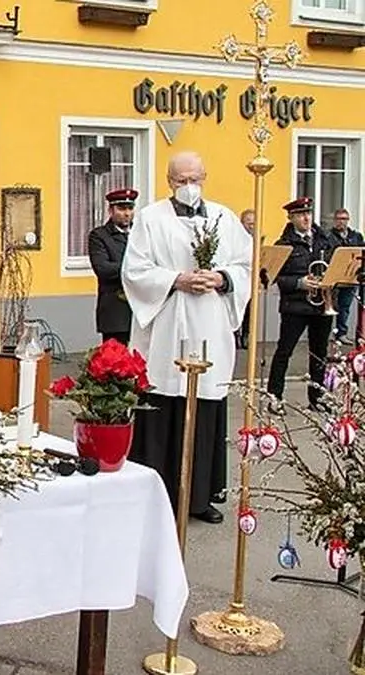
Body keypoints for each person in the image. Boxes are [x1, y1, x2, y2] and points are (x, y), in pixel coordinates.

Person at [122, 151, 252, 524]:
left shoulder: (225, 219)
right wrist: (176, 279)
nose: (189, 187)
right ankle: (156, 493)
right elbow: (135, 271)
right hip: (168, 323)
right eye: (181, 181)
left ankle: (199, 498)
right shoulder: (150, 218)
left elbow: (245, 264)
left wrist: (222, 278)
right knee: (164, 404)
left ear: (205, 177)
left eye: (195, 179)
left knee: (205, 404)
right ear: (169, 181)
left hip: (208, 321)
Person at [266, 196, 335, 413]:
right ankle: (274, 396)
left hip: (321, 304)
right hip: (295, 306)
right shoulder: (283, 245)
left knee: (319, 353)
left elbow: (336, 265)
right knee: (284, 352)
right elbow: (273, 276)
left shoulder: (325, 240)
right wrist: (299, 283)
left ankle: (317, 398)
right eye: (300, 214)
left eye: (308, 213)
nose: (306, 218)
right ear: (291, 217)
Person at [88, 188, 137, 345]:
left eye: (130, 208)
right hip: (115, 312)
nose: (127, 213)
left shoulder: (141, 233)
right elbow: (103, 268)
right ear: (111, 210)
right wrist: (138, 268)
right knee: (115, 362)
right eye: (121, 209)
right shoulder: (99, 235)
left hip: (141, 309)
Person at [327, 208, 363, 345]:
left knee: (345, 307)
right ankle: (329, 333)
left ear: (348, 220)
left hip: (350, 277)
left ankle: (341, 333)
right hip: (335, 277)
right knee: (332, 306)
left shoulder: (356, 236)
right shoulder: (328, 236)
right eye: (339, 219)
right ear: (334, 221)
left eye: (344, 219)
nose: (341, 222)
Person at [235, 209, 256, 349]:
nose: (251, 227)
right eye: (249, 223)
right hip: (238, 281)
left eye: (254, 224)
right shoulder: (235, 239)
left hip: (252, 280)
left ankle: (247, 336)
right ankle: (236, 334)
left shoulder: (256, 239)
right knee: (238, 309)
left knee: (250, 311)